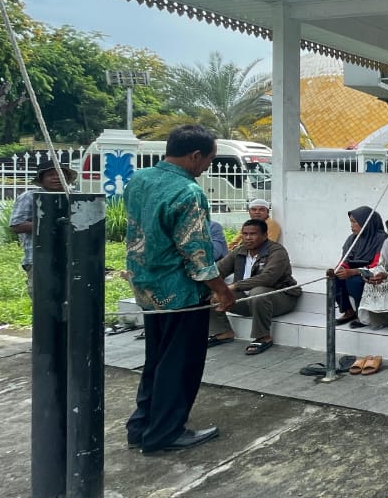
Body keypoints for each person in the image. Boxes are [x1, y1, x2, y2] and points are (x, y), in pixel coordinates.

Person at [124, 125, 236, 454]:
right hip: (181, 294)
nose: (207, 167)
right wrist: (222, 290)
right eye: (209, 160)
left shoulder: (139, 179)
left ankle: (141, 426)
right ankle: (165, 432)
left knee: (156, 360)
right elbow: (197, 254)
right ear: (195, 156)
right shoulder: (188, 192)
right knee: (180, 365)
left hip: (147, 288)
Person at [206, 219, 302, 354]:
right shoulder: (239, 251)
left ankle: (263, 337)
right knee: (208, 289)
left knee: (258, 292)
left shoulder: (277, 251)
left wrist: (234, 286)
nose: (248, 238)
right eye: (245, 234)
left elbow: (267, 278)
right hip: (248, 300)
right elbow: (217, 271)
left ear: (264, 235)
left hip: (281, 298)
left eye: (253, 234)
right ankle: (223, 332)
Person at [9, 157, 75, 297]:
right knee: (43, 299)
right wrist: (50, 225)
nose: (56, 177)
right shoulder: (29, 196)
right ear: (41, 179)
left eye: (60, 174)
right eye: (51, 175)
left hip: (73, 257)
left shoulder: (76, 196)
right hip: (39, 257)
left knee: (74, 297)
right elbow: (16, 225)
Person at [333, 206, 387, 327]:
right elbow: (345, 259)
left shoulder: (381, 238)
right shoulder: (352, 239)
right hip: (354, 271)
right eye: (350, 222)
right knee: (335, 278)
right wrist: (340, 269)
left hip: (373, 272)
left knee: (355, 281)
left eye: (354, 222)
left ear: (365, 222)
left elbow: (378, 264)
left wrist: (355, 271)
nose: (351, 226)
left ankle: (362, 315)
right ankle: (348, 311)